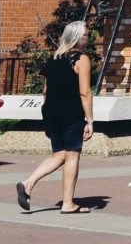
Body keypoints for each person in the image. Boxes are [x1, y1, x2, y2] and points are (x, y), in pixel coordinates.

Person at [18, 22, 95, 215]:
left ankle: (28, 183)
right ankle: (68, 203)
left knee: (59, 155)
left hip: (51, 111)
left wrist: (48, 117)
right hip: (71, 112)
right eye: (85, 35)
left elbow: (45, 90)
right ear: (77, 37)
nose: (88, 38)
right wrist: (90, 120)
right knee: (73, 155)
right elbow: (85, 92)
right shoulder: (81, 59)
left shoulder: (53, 58)